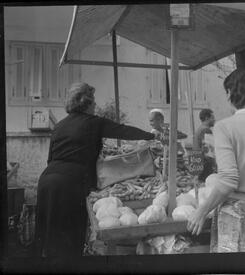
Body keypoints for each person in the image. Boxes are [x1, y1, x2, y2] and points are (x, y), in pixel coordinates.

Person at [34, 82, 159, 257]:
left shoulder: (60, 126)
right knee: (69, 239)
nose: (95, 106)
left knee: (47, 237)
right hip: (70, 184)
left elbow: (50, 159)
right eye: (93, 102)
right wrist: (152, 135)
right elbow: (123, 131)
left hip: (46, 182)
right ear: (87, 103)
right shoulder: (93, 122)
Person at [187, 68, 245, 252]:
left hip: (240, 214)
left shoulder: (225, 127)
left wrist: (201, 212)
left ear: (232, 94)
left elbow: (228, 180)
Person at [194, 109, 216, 182]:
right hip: (205, 164)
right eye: (212, 117)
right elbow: (208, 152)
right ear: (207, 118)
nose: (214, 120)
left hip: (199, 162)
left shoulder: (200, 129)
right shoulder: (206, 130)